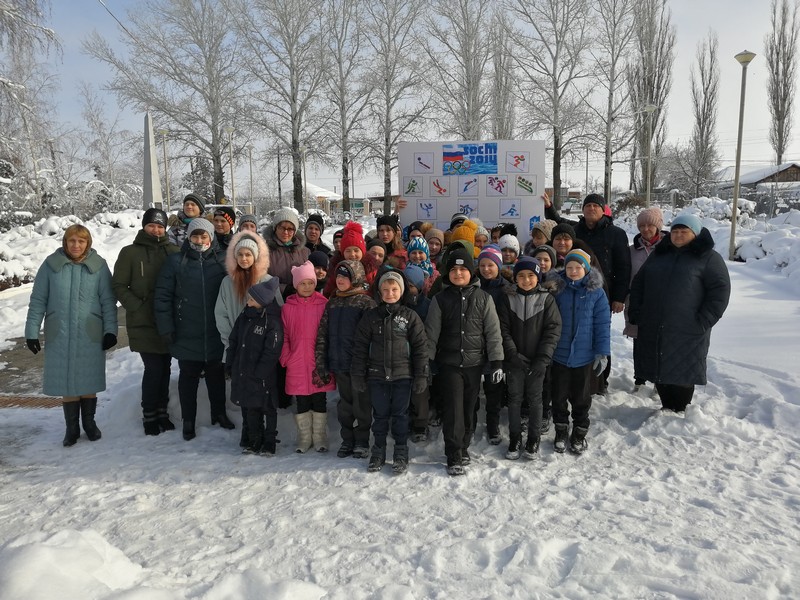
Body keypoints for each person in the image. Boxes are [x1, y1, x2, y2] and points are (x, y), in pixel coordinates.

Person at [25, 224, 118, 446]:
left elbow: (108, 302)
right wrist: (31, 332)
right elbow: (38, 300)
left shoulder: (99, 266)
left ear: (88, 243)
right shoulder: (50, 265)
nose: (76, 245)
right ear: (65, 242)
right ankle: (72, 428)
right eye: (72, 240)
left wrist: (110, 331)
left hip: (89, 332)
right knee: (66, 381)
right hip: (60, 332)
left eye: (81, 241)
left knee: (88, 379)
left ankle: (89, 423)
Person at [629, 214, 731, 413]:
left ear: (695, 234)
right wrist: (636, 310)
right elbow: (639, 282)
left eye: (684, 231)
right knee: (659, 366)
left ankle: (681, 410)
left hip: (689, 327)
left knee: (684, 370)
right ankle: (667, 408)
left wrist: (704, 320)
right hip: (654, 323)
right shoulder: (660, 254)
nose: (678, 235)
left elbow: (720, 291)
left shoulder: (709, 258)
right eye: (675, 231)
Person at [425, 246, 504, 476]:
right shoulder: (440, 299)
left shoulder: (484, 298)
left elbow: (493, 332)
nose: (458, 274)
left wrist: (497, 361)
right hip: (449, 365)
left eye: (463, 270)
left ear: (471, 272)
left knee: (469, 408)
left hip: (474, 364)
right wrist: (428, 360)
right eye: (453, 270)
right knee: (453, 409)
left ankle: (464, 446)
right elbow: (431, 333)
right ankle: (454, 453)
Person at [154, 217, 233, 441]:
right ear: (188, 237)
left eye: (203, 235)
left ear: (211, 237)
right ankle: (188, 419)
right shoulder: (176, 261)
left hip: (215, 330)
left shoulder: (222, 260)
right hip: (186, 329)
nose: (199, 240)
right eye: (195, 235)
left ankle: (219, 413)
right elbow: (163, 296)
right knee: (188, 376)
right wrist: (166, 326)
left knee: (216, 374)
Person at [546, 193, 631, 393]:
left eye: (596, 205)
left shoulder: (616, 233)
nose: (591, 208)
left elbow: (624, 267)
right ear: (583, 210)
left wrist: (619, 297)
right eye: (588, 205)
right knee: (571, 336)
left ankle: (600, 381)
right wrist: (549, 207)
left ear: (604, 210)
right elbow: (560, 224)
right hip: (570, 291)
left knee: (598, 334)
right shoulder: (577, 230)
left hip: (601, 292)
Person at [351, 270, 428, 474]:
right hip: (377, 375)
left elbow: (420, 348)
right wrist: (358, 374)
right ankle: (378, 451)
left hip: (403, 375)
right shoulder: (370, 317)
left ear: (401, 291)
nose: (390, 293)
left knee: (401, 415)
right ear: (379, 292)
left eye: (394, 289)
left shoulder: (410, 316)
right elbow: (360, 348)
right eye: (385, 290)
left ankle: (401, 451)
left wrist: (421, 375)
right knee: (380, 415)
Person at [112, 208, 179, 435]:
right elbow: (119, 285)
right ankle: (149, 414)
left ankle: (162, 412)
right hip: (143, 321)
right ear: (144, 227)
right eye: (152, 225)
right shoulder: (130, 253)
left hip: (167, 320)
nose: (156, 230)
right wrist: (136, 306)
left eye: (160, 226)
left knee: (165, 367)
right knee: (153, 368)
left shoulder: (173, 251)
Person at [497, 257, 562, 460]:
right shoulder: (508, 298)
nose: (526, 280)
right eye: (521, 276)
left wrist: (543, 358)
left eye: (531, 276)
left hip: (537, 361)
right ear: (515, 278)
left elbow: (552, 330)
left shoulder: (546, 299)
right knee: (514, 399)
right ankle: (515, 437)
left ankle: (534, 438)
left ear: (538, 277)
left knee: (535, 400)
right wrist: (512, 353)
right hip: (514, 361)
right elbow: (502, 329)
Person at [214, 230, 274, 447]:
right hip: (238, 348)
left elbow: (276, 316)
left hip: (260, 348)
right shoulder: (227, 282)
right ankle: (248, 433)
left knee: (261, 392)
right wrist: (230, 341)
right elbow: (220, 314)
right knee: (243, 392)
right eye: (240, 254)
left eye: (248, 254)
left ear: (256, 256)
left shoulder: (266, 282)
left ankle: (265, 434)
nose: (244, 258)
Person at [315, 260, 377, 458]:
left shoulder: (365, 303)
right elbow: (323, 333)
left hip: (360, 366)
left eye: (345, 277)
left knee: (362, 405)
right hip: (339, 362)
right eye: (338, 276)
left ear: (356, 278)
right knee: (345, 405)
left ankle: (362, 440)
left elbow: (372, 337)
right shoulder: (332, 303)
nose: (340, 280)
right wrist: (321, 361)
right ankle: (347, 439)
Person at [551, 249, 611, 454]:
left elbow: (602, 325)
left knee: (581, 398)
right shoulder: (557, 290)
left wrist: (602, 352)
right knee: (558, 396)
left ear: (586, 269)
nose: (573, 271)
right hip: (559, 355)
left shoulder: (596, 293)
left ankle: (579, 432)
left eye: (578, 267)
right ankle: (560, 430)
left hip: (584, 356)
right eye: (569, 267)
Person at [280, 261, 336, 453]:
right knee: (302, 400)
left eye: (310, 283)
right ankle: (304, 437)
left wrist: (327, 357)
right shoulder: (287, 308)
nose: (307, 287)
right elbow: (283, 335)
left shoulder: (323, 305)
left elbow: (330, 333)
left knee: (319, 399)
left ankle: (319, 436)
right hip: (296, 362)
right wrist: (286, 357)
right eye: (302, 283)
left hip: (318, 362)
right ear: (296, 285)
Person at [226, 279, 283, 455]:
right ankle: (254, 439)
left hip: (264, 376)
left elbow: (272, 351)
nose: (248, 301)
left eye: (252, 299)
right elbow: (234, 341)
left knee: (268, 407)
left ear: (262, 301)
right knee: (250, 407)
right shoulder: (244, 316)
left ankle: (270, 441)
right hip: (245, 372)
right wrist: (230, 364)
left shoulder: (272, 321)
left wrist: (260, 372)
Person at [624, 207, 666, 392]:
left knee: (660, 342)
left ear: (658, 226)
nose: (645, 229)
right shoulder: (631, 251)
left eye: (650, 225)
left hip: (661, 304)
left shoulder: (668, 249)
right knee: (639, 341)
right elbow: (625, 275)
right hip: (637, 303)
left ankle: (659, 380)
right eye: (642, 226)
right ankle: (640, 380)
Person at [475, 244, 510, 445]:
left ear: (498, 266)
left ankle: (493, 423)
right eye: (482, 265)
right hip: (475, 344)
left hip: (497, 344)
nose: (486, 269)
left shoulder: (506, 289)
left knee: (494, 388)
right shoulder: (473, 285)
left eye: (491, 265)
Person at [404, 264, 432, 442]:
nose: (408, 290)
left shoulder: (427, 306)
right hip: (401, 355)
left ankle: (420, 423)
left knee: (420, 392)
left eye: (411, 286)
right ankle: (404, 419)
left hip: (421, 355)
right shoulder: (397, 304)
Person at [323, 221, 380, 297]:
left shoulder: (370, 268)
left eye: (356, 250)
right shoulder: (337, 268)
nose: (352, 254)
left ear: (362, 251)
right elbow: (328, 291)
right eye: (348, 251)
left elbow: (375, 289)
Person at [263, 208, 311, 296]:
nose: (285, 232)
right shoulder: (265, 251)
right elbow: (261, 280)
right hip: (275, 299)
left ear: (295, 231)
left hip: (301, 299)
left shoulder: (305, 252)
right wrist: (283, 289)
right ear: (275, 228)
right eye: (282, 228)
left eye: (290, 229)